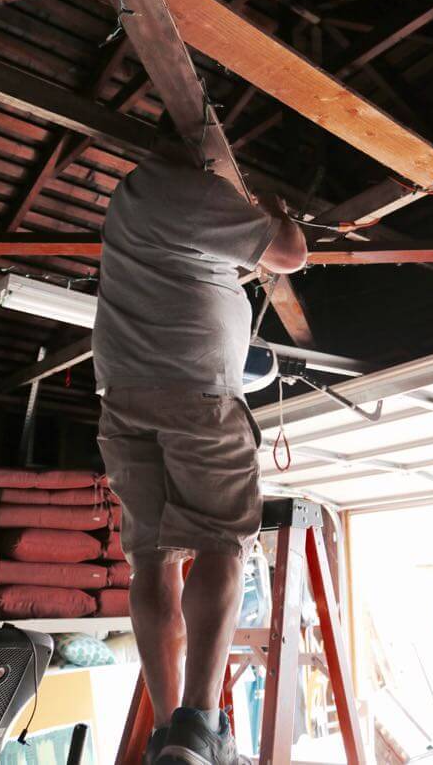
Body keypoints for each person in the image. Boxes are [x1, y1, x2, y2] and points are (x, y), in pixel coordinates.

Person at [93, 151, 307, 765]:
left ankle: (170, 733)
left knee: (150, 561)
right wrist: (272, 209)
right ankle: (201, 725)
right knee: (220, 542)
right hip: (193, 393)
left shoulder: (133, 197)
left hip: (126, 397)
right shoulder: (195, 192)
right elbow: (291, 252)